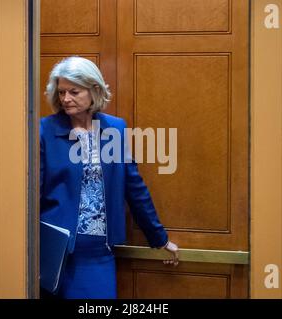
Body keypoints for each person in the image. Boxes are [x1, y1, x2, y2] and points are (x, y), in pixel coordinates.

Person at [40, 56, 179, 299]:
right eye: (61, 92)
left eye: (74, 91)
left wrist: (159, 238)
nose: (66, 99)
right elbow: (31, 192)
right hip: (55, 251)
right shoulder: (44, 130)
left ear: (94, 90)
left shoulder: (115, 128)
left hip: (98, 253)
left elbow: (133, 186)